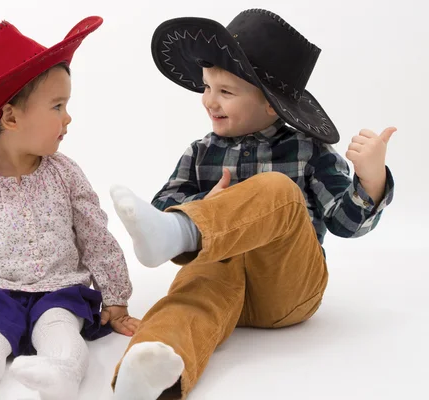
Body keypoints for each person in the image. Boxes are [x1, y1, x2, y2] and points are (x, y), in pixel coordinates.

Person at [109, 9, 396, 400]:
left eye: (226, 91)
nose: (210, 100)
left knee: (277, 189)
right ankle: (148, 377)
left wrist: (371, 180)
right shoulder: (200, 152)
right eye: (207, 87)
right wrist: (201, 204)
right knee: (185, 302)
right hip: (218, 275)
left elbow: (347, 223)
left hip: (285, 288)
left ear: (272, 106)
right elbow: (161, 206)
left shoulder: (307, 150)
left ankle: (187, 229)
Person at [0, 16, 139, 400]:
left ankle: (62, 372)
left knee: (60, 326)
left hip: (59, 288)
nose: (68, 118)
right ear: (11, 117)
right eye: (57, 106)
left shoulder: (65, 174)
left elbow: (94, 235)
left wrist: (116, 300)